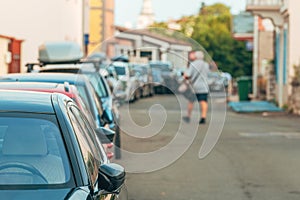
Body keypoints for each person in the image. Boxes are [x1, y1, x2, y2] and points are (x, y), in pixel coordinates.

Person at [183, 50, 210, 124]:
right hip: (204, 86)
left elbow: (187, 75)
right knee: (203, 101)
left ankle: (188, 116)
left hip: (194, 87)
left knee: (191, 101)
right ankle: (203, 117)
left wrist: (185, 75)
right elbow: (208, 74)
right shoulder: (206, 64)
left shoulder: (193, 64)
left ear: (196, 56)